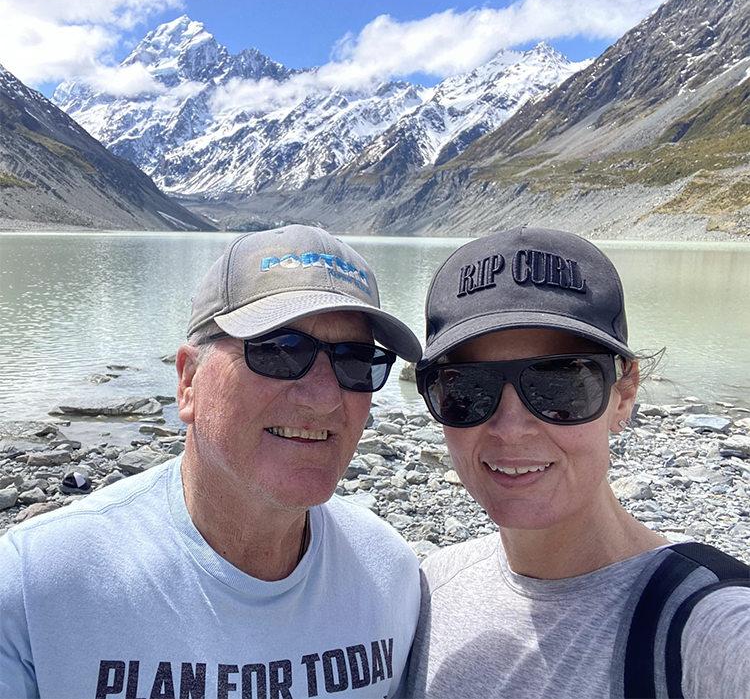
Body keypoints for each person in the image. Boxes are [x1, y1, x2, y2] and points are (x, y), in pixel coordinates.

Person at [0, 225, 423, 699]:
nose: (325, 398)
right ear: (188, 383)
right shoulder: (34, 588)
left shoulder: (392, 577)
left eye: (355, 360)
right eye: (279, 351)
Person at [406, 227, 750, 699]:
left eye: (560, 384)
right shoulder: (430, 588)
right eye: (467, 389)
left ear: (623, 394)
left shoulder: (706, 628)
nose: (510, 429)